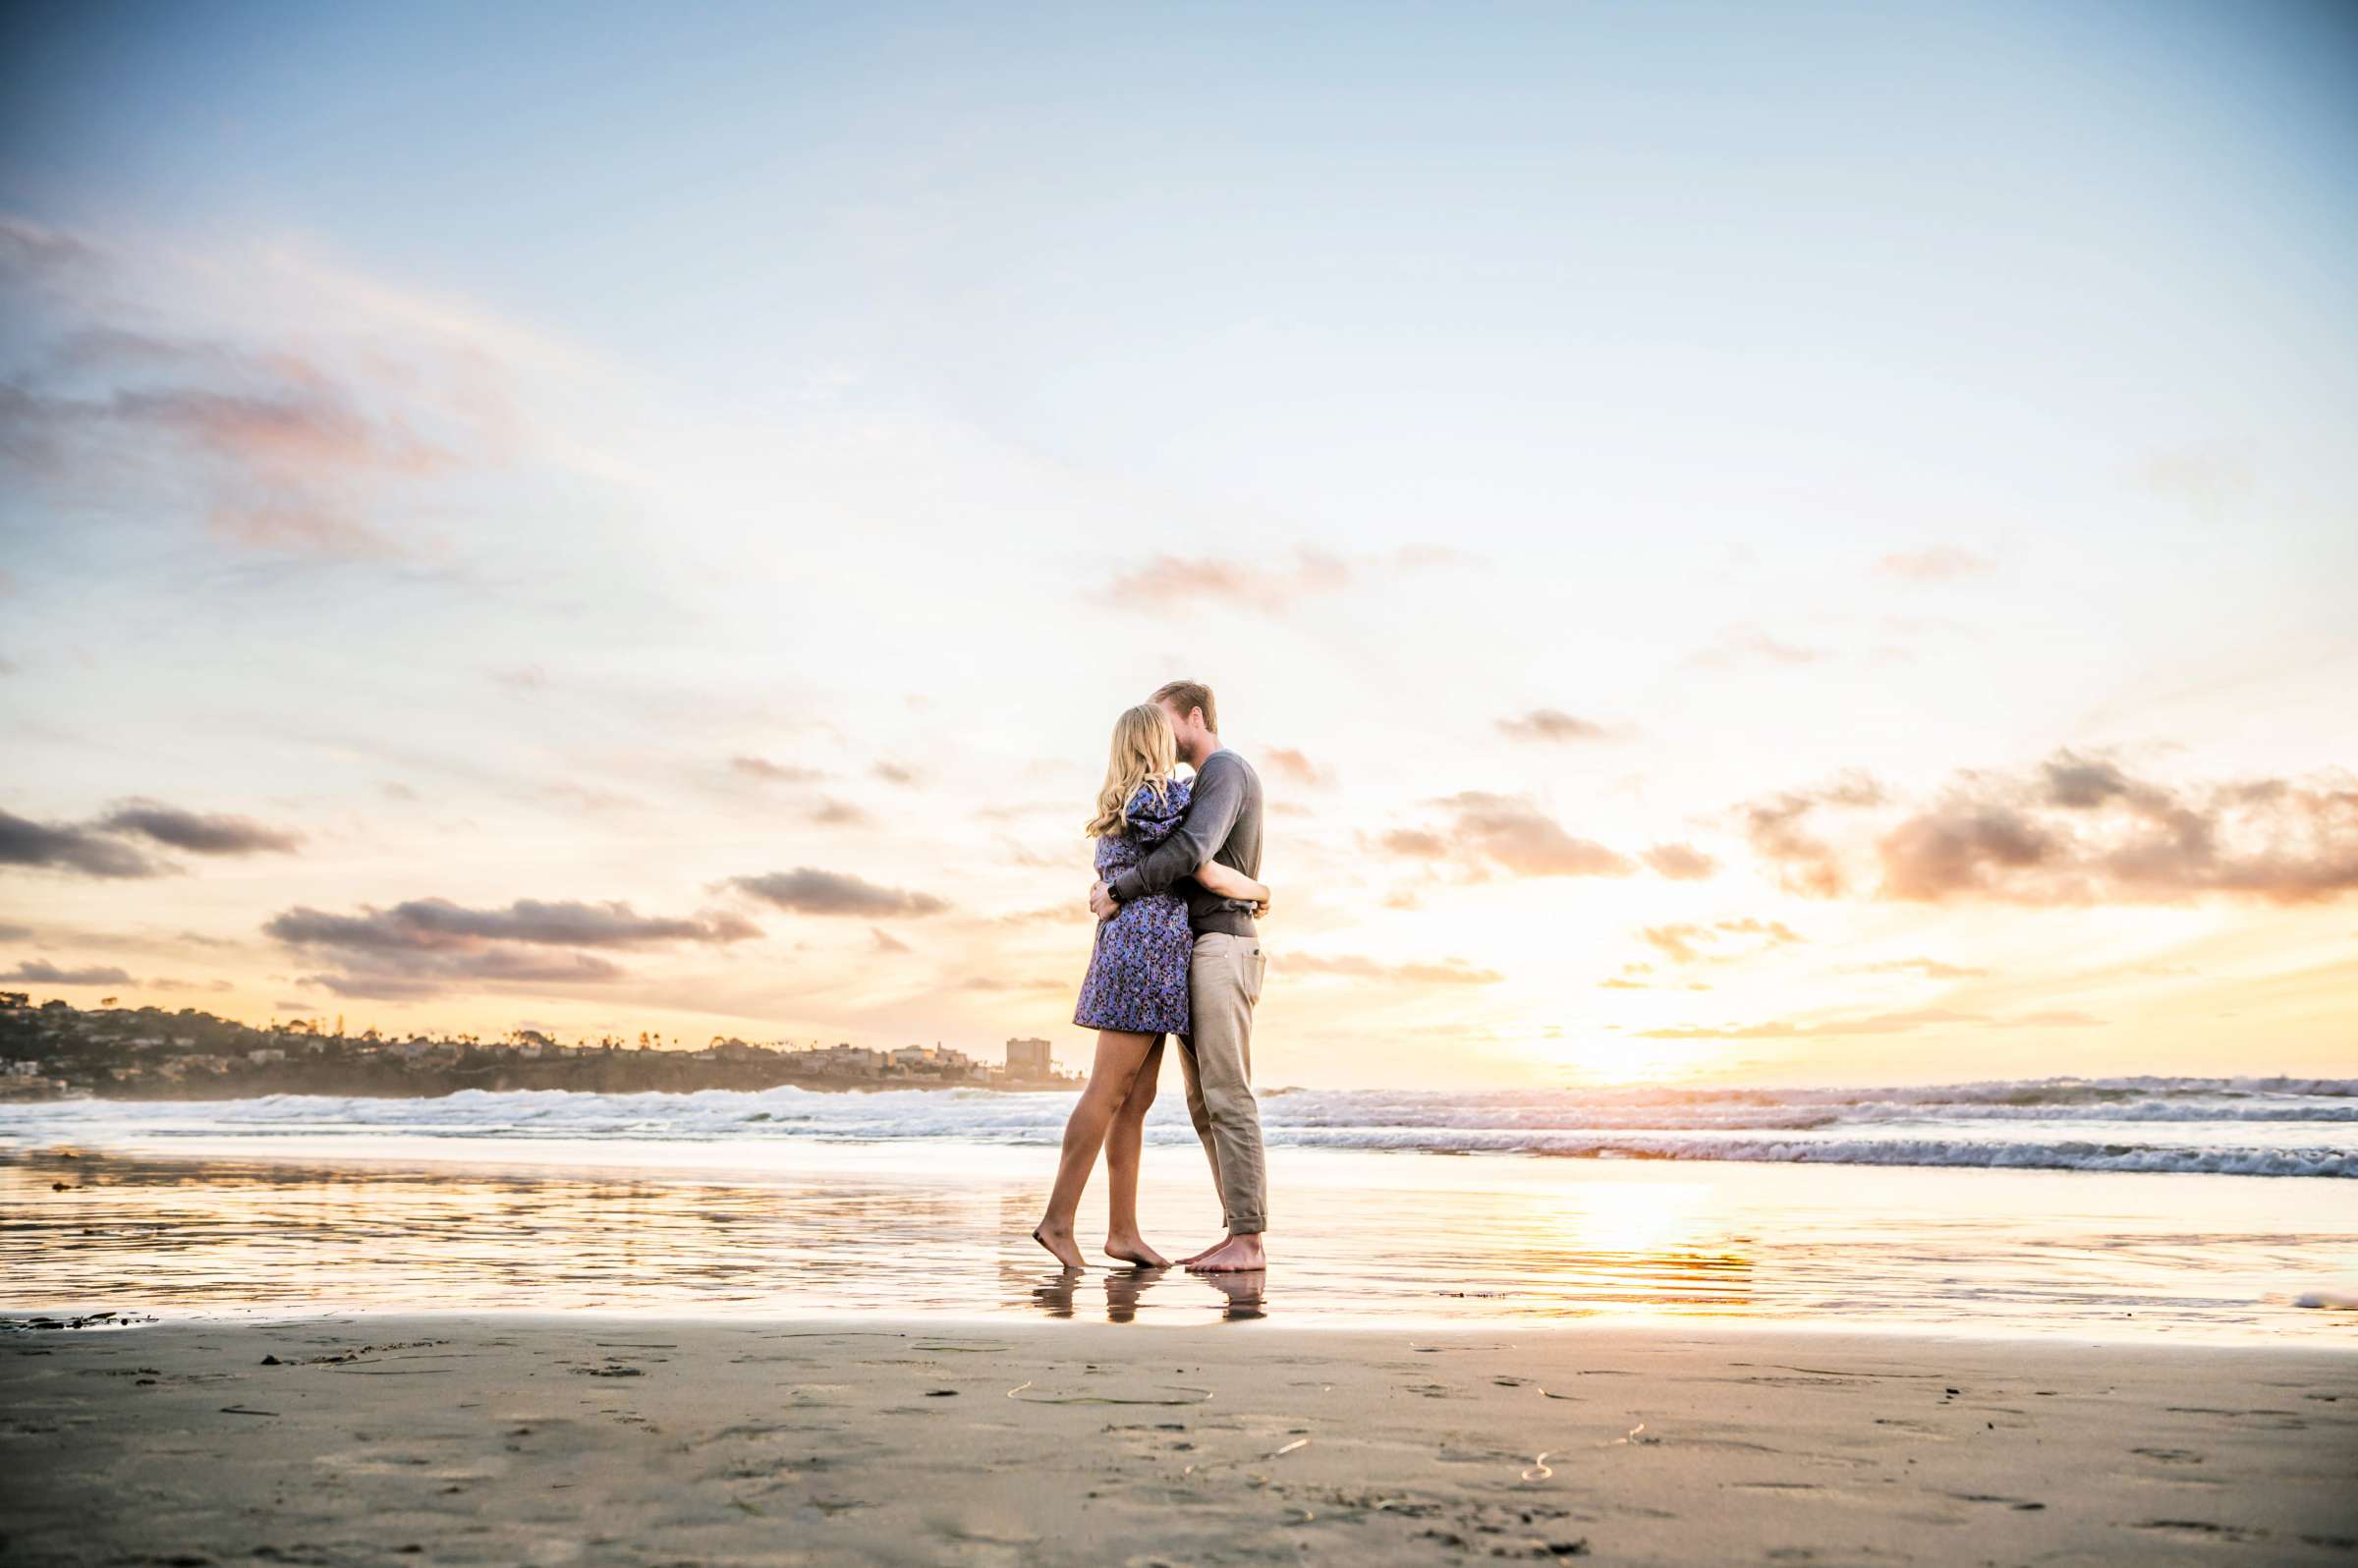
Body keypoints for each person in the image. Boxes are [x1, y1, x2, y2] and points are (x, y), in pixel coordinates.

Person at [1032, 702, 1268, 1271]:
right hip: (1144, 956)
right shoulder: (1155, 799)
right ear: (1151, 744)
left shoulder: (1130, 799)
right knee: (1109, 1092)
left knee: (1134, 1100)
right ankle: (1058, 1222)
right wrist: (1261, 892)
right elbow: (1196, 858)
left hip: (1149, 956)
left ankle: (1123, 1232)